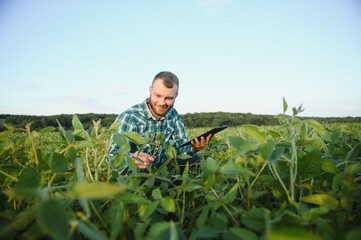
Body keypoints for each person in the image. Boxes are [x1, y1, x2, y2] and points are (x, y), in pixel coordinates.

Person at [108, 71, 212, 171]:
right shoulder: (130, 117)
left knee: (196, 160)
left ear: (176, 95)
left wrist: (194, 148)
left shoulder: (173, 114)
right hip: (137, 176)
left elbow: (181, 146)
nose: (162, 103)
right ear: (150, 90)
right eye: (157, 95)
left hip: (163, 171)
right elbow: (111, 156)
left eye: (168, 98)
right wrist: (131, 158)